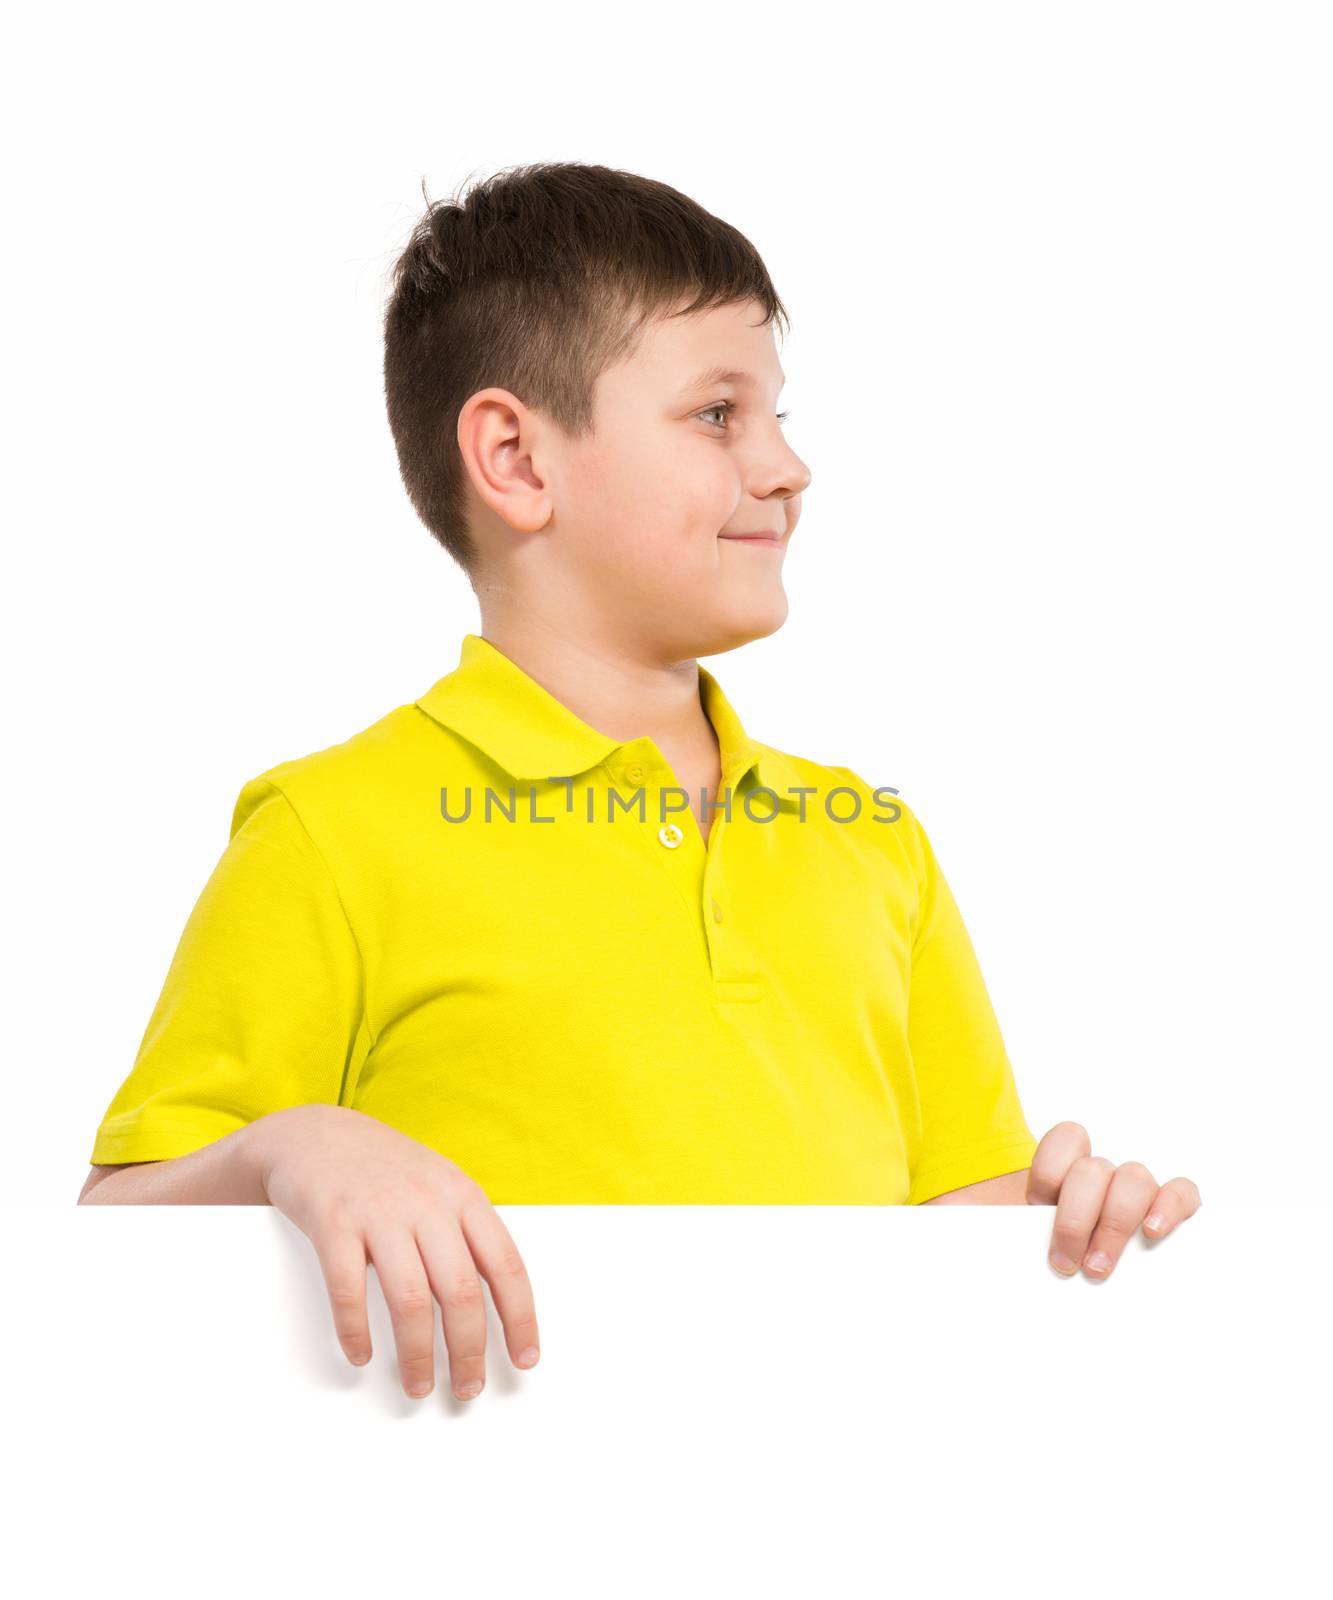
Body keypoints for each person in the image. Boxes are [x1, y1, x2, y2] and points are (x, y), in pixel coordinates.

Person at [79, 161, 1201, 1404]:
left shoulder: (874, 845)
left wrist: (1070, 1231)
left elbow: (954, 1234)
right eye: (717, 414)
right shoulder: (330, 834)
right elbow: (111, 1238)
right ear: (514, 457)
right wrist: (296, 1144)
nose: (785, 466)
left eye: (776, 413)